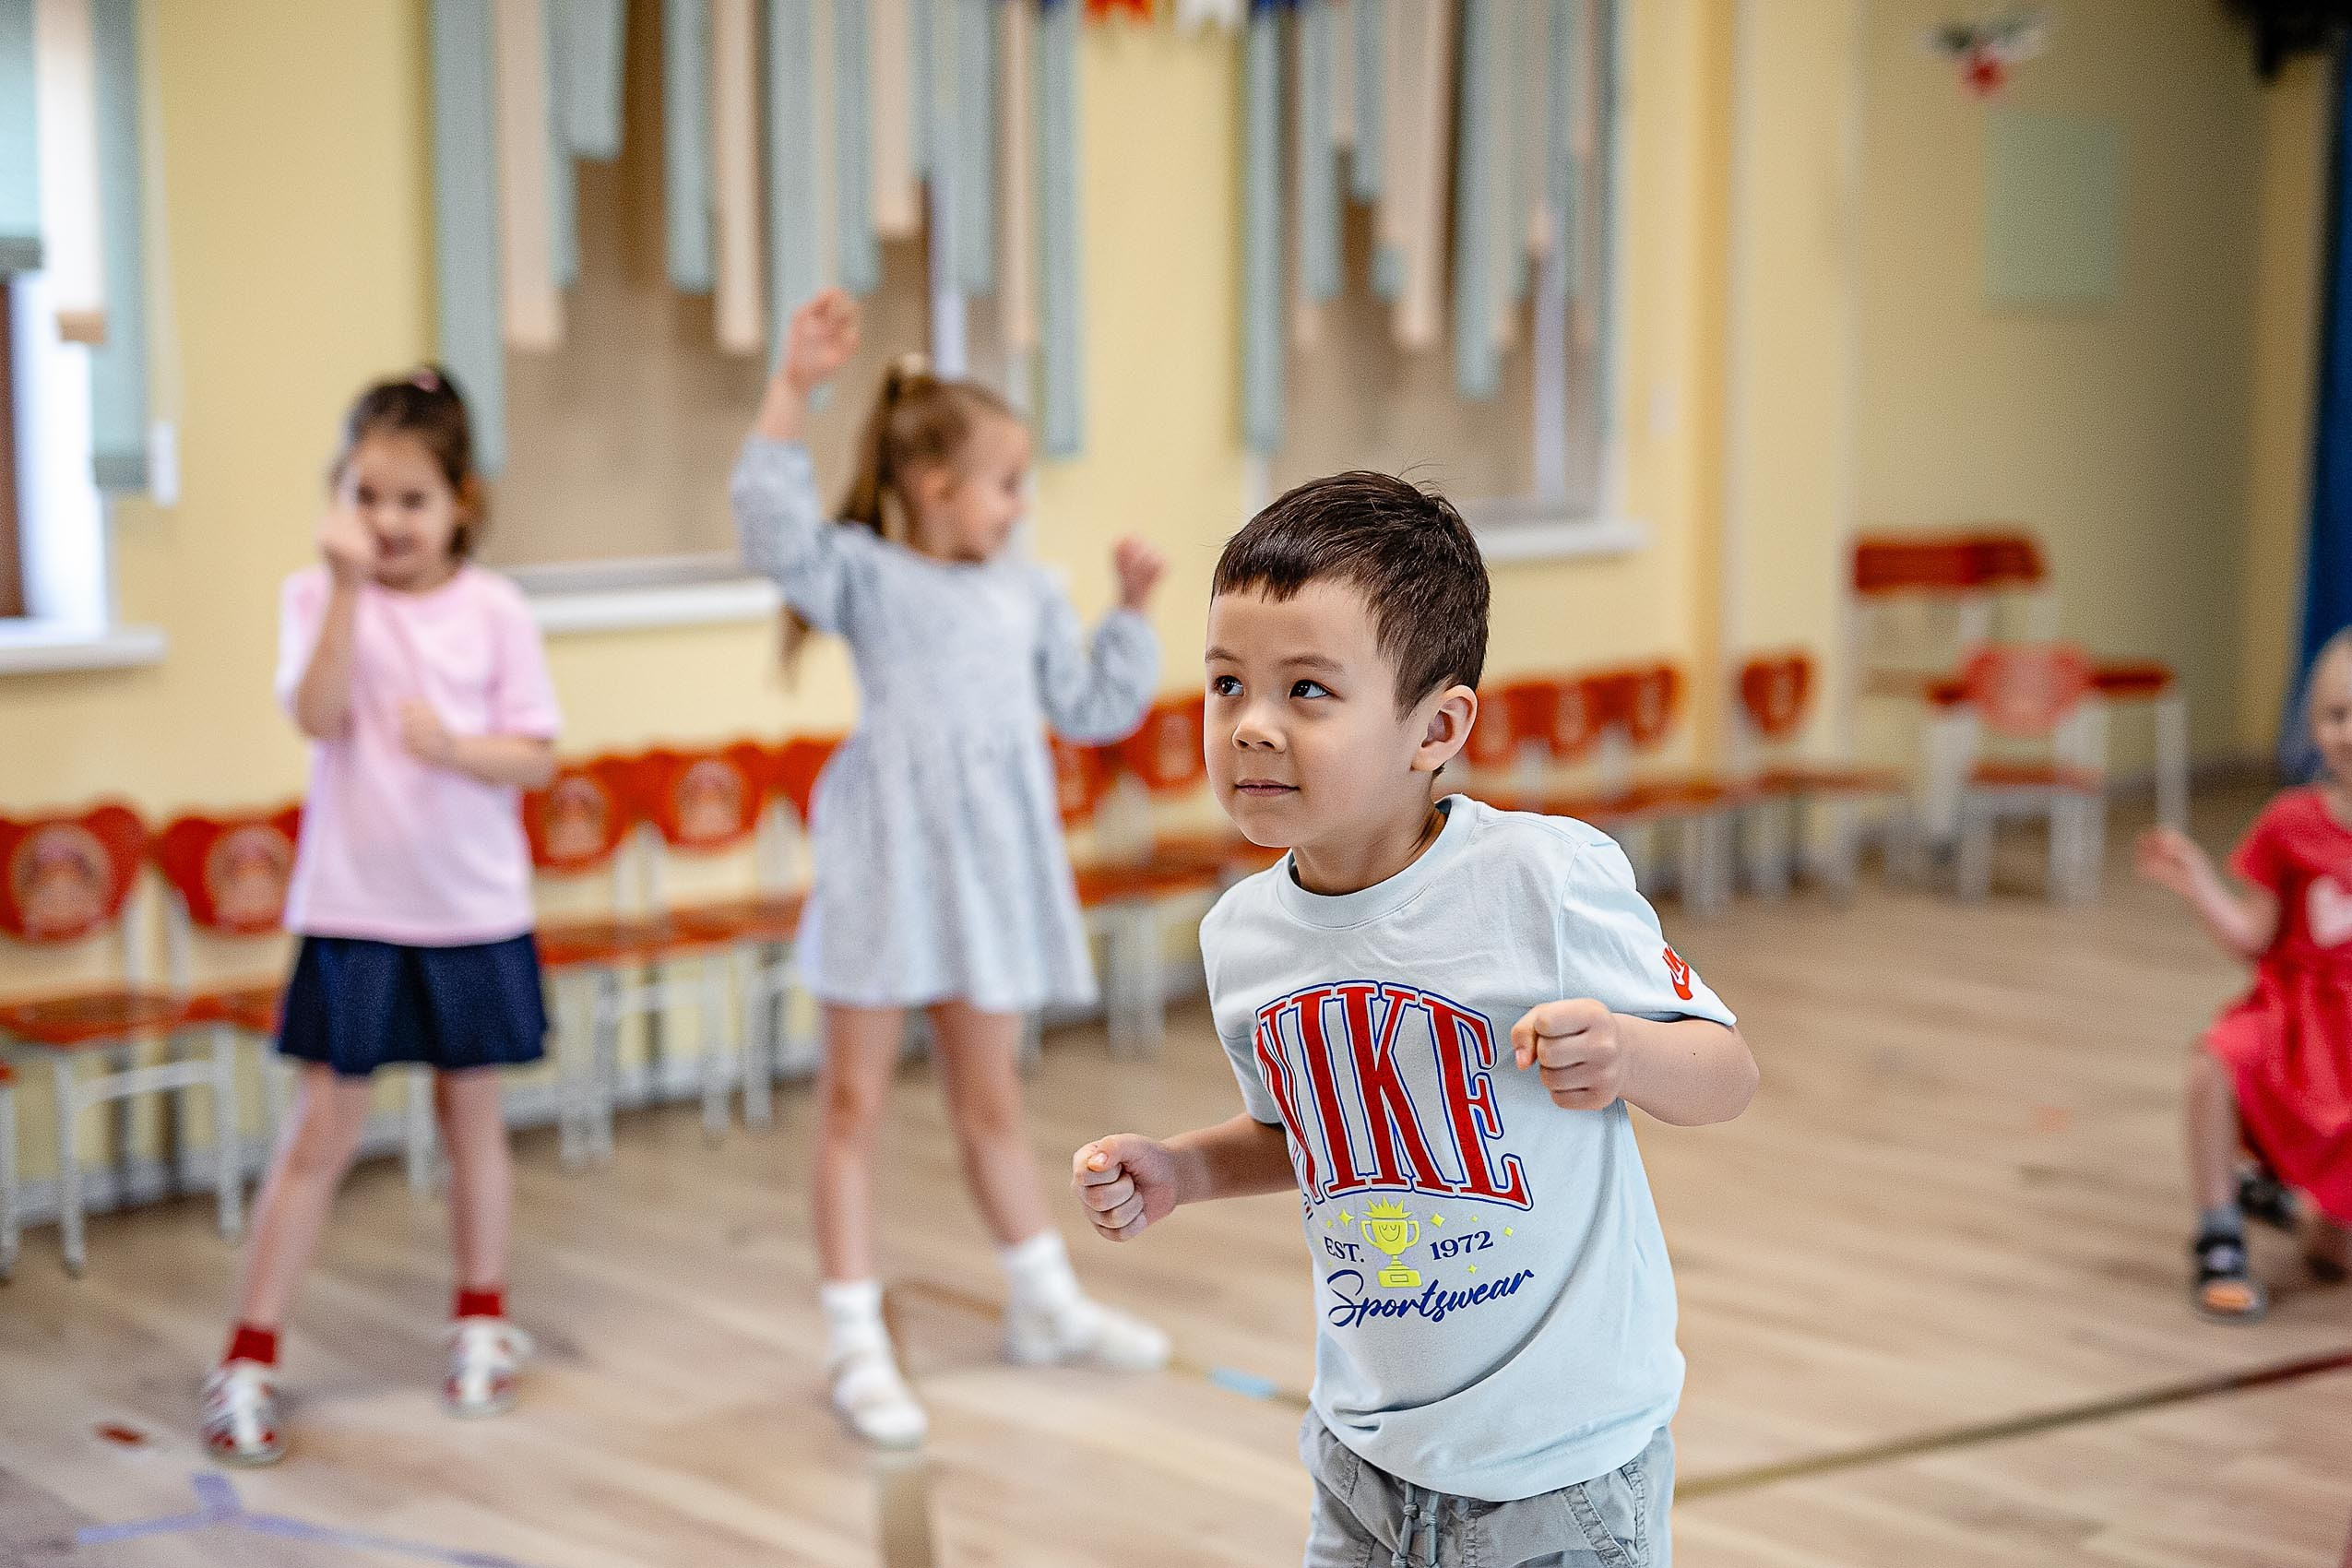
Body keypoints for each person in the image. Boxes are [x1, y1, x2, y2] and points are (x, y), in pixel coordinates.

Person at [1073, 472, 1758, 1566]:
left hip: (1558, 1476)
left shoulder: (1542, 878)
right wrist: (1185, 1170)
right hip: (1361, 1463)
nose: (1251, 727)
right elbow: (1318, 1138)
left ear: (1436, 725)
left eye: (1307, 690)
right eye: (1225, 684)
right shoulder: (1243, 941)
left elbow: (1727, 1071)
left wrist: (1628, 1053)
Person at [732, 289, 1172, 1448]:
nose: (1022, 506)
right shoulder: (867, 575)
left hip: (988, 874)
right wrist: (794, 383)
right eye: (1008, 482)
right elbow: (772, 529)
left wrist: (1130, 613)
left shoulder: (1028, 592)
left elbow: (1090, 705)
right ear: (937, 487)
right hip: (886, 866)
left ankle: (1045, 1302)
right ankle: (853, 1336)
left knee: (992, 1103)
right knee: (852, 1104)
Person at [205, 368, 561, 1466]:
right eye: (368, 495)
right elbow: (316, 716)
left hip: (471, 908)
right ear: (341, 499)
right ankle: (249, 1357)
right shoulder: (316, 598)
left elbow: (539, 754)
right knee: (322, 1129)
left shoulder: (497, 609)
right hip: (354, 907)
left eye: (413, 499)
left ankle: (481, 1321)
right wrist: (347, 592)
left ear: (462, 501)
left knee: (472, 1118)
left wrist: (456, 746)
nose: (390, 520)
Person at [2137, 627, 2352, 1321]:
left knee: (2334, 1258)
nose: (2349, 732)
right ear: (2311, 725)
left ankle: (2292, 1199)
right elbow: (2252, 939)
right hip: (2295, 1025)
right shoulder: (2289, 823)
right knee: (2215, 1064)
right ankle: (2219, 1235)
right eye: (2335, 714)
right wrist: (2201, 883)